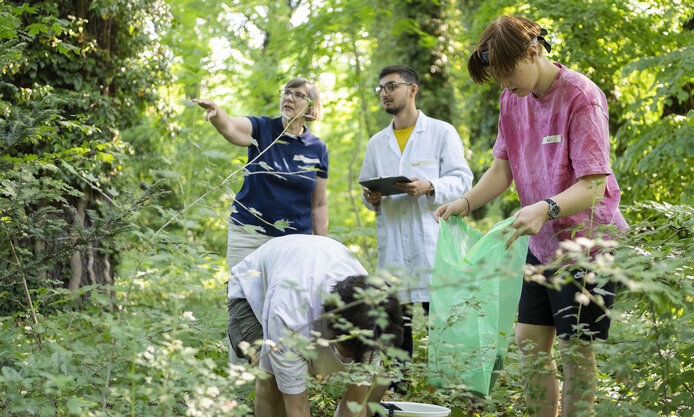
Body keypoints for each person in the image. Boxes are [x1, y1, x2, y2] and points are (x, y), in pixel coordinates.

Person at [434, 16, 628, 417]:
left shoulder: (581, 96)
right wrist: (465, 203)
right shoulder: (511, 99)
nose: (504, 84)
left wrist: (546, 208)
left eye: (508, 73)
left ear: (533, 51)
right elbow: (502, 170)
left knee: (575, 350)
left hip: (587, 246)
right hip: (541, 245)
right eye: (497, 77)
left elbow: (594, 185)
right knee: (528, 343)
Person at [358, 65, 473, 365]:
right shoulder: (376, 143)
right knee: (396, 328)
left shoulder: (440, 132)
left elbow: (463, 180)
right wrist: (371, 197)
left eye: (391, 86)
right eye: (381, 88)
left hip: (431, 242)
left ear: (412, 89)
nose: (384, 93)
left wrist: (431, 186)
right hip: (394, 245)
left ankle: (449, 384)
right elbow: (367, 189)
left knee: (443, 320)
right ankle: (398, 387)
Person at [227, 234, 403, 417]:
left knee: (380, 375)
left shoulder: (372, 316)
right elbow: (297, 407)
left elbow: (355, 402)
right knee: (271, 379)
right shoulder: (289, 316)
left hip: (303, 280)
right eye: (347, 353)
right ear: (332, 328)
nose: (347, 361)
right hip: (250, 293)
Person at [193, 77, 328, 269]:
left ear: (310, 107)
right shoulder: (263, 128)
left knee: (286, 298)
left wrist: (322, 246)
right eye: (287, 92)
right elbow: (231, 126)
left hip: (295, 242)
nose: (289, 98)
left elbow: (320, 205)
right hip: (249, 235)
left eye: (298, 95)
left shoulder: (317, 148)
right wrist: (217, 114)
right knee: (242, 298)